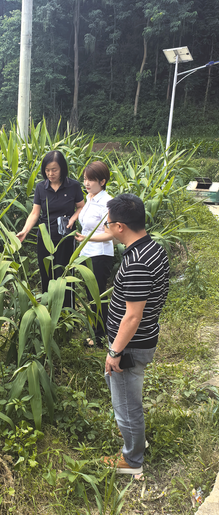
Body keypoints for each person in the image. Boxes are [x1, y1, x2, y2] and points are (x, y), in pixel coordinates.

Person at [102, 193, 169, 474]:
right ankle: (135, 438)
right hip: (141, 338)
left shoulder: (138, 262)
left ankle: (132, 460)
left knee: (127, 404)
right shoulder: (153, 248)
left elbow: (132, 316)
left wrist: (115, 351)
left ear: (120, 227)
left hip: (131, 345)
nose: (106, 228)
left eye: (107, 224)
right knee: (124, 395)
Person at [16, 150, 84, 308]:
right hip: (45, 237)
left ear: (62, 169)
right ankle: (49, 308)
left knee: (64, 274)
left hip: (66, 237)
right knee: (46, 272)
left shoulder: (73, 186)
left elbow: (81, 206)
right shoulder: (41, 187)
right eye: (47, 170)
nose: (50, 174)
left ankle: (66, 310)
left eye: (54, 170)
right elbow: (35, 213)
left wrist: (73, 218)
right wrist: (25, 231)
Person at [74, 161, 114, 346]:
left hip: (100, 255)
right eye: (85, 179)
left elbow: (110, 234)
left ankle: (99, 336)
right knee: (90, 295)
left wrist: (87, 238)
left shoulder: (107, 203)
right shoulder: (89, 198)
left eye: (91, 180)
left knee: (97, 295)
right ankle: (96, 328)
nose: (86, 183)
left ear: (102, 181)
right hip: (87, 253)